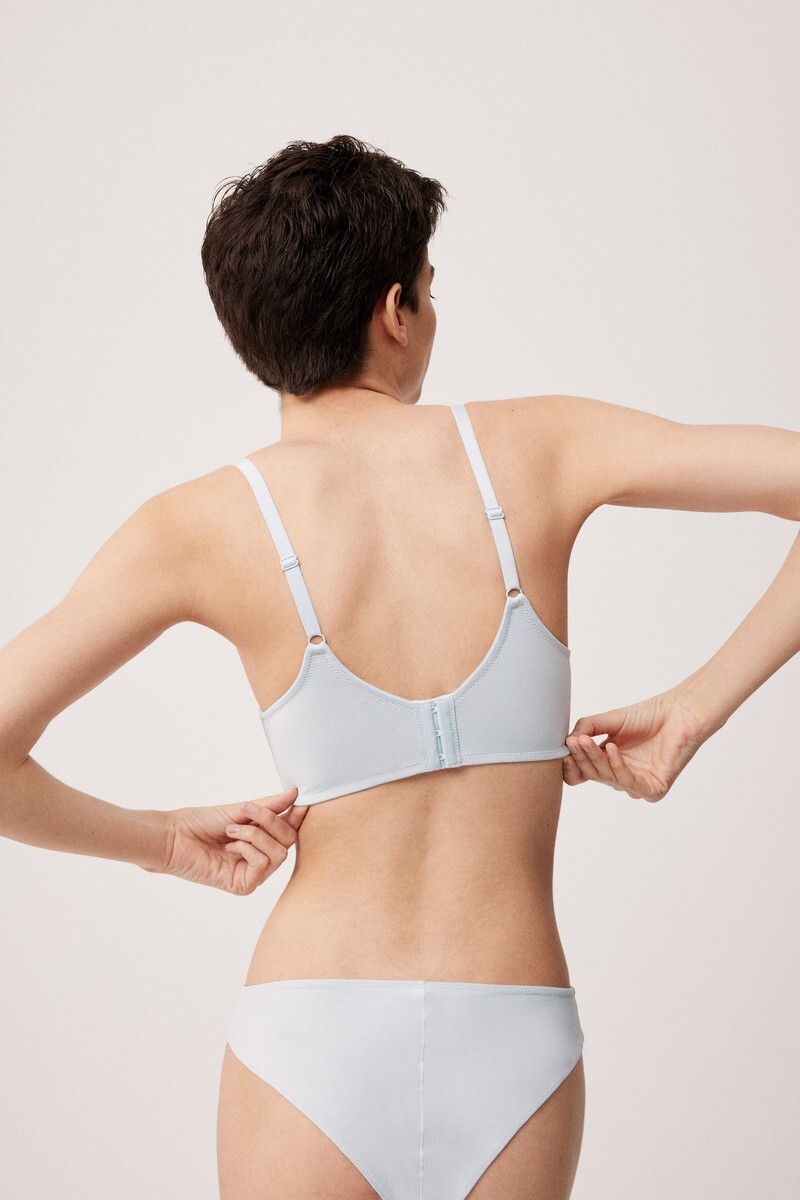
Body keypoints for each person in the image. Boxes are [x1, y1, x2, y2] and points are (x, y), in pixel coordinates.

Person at [1, 135, 798, 1200]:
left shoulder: (196, 525)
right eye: (429, 285)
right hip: (515, 1030)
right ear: (396, 310)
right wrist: (694, 708)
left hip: (309, 1039)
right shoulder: (543, 447)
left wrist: (162, 844)